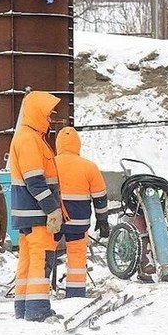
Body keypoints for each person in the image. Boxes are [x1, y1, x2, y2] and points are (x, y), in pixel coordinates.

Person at [9, 91, 62, 321]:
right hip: (37, 213)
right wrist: (52, 209)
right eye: (48, 114)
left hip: (27, 215)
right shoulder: (29, 140)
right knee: (41, 261)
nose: (50, 119)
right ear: (37, 113)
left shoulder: (27, 137)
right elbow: (35, 181)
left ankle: (23, 308)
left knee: (28, 262)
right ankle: (38, 310)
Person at [54, 127, 109, 297]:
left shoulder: (50, 163)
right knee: (77, 256)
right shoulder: (89, 167)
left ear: (58, 144)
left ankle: (42, 291)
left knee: (46, 254)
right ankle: (76, 293)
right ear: (77, 144)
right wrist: (102, 220)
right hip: (79, 222)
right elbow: (100, 197)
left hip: (53, 219)